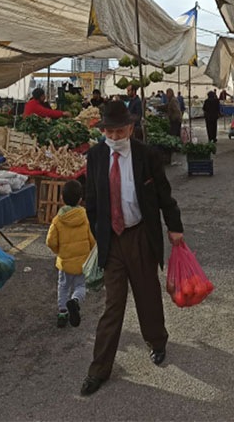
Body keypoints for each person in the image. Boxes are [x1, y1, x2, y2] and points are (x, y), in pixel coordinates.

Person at [80, 101, 184, 397]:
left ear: (130, 128)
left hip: (139, 234)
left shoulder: (147, 154)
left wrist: (174, 227)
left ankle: (157, 341)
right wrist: (98, 236)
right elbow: (92, 200)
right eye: (109, 131)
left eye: (119, 130)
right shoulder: (96, 156)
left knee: (147, 294)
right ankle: (98, 369)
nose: (114, 136)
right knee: (113, 304)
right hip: (111, 240)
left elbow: (164, 195)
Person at [46, 180, 95, 328]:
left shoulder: (57, 220)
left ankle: (62, 312)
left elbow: (50, 241)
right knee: (80, 286)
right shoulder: (85, 217)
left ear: (61, 198)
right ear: (81, 199)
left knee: (63, 286)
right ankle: (75, 301)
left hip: (65, 262)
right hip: (82, 262)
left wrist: (58, 251)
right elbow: (92, 239)